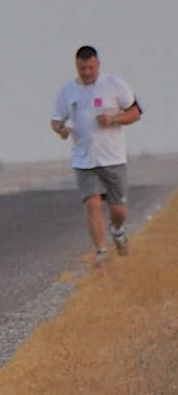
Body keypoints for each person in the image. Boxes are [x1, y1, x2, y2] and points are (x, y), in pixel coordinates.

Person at [51, 46, 142, 265]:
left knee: (118, 209)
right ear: (76, 66)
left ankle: (117, 231)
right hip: (84, 159)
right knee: (92, 204)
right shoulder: (68, 91)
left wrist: (114, 119)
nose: (87, 72)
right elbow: (55, 120)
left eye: (90, 68)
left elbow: (135, 112)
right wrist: (61, 130)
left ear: (98, 65)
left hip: (113, 158)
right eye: (82, 68)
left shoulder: (114, 85)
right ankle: (101, 250)